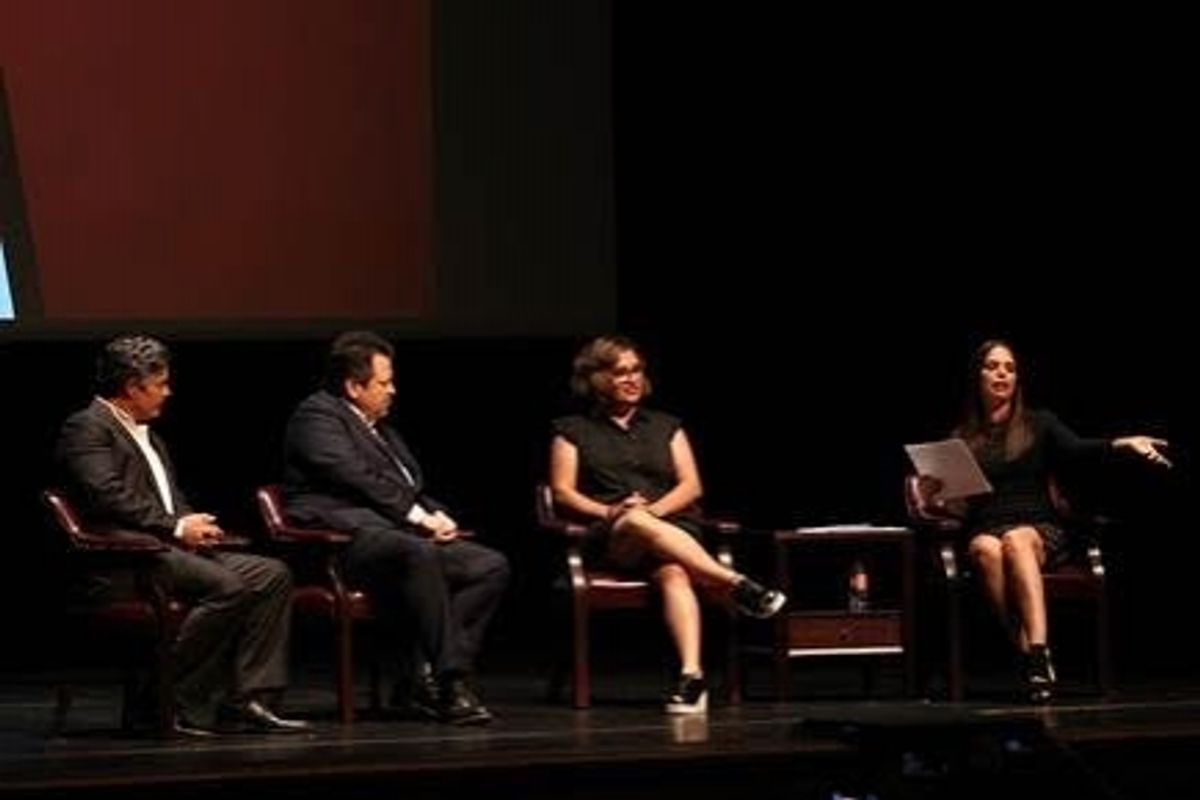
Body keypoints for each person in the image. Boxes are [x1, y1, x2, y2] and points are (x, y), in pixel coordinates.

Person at [56, 335, 309, 735]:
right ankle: (161, 698)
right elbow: (107, 497)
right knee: (227, 586)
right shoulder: (87, 427)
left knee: (271, 574)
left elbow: (170, 500)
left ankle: (244, 697)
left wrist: (194, 523)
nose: (168, 392)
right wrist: (176, 527)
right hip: (126, 560)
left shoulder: (149, 434)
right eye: (161, 384)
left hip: (167, 551)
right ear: (132, 387)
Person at [913, 339, 1170, 702]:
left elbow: (1079, 449)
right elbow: (959, 508)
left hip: (1037, 528)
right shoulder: (961, 437)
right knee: (986, 547)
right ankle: (1026, 651)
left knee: (1016, 540)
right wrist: (938, 492)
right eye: (993, 366)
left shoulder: (1039, 423)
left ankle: (1037, 650)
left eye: (1010, 367)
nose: (1003, 373)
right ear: (978, 376)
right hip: (986, 526)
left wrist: (1122, 442)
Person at [548, 335, 787, 715]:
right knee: (634, 522)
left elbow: (692, 485)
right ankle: (736, 584)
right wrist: (611, 512)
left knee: (674, 573)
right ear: (596, 379)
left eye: (636, 371)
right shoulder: (572, 430)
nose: (631, 379)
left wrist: (653, 512)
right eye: (620, 372)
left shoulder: (667, 426)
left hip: (674, 531)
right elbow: (562, 493)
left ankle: (691, 678)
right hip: (615, 539)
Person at [281, 331, 509, 726]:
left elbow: (408, 488)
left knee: (488, 565)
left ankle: (421, 679)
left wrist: (438, 515)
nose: (393, 390)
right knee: (418, 552)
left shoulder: (380, 429)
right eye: (384, 383)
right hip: (344, 544)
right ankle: (449, 682)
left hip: (397, 539)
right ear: (354, 386)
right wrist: (419, 518)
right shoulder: (316, 417)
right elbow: (356, 478)